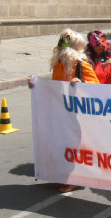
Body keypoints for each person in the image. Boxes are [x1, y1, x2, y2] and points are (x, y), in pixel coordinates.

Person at [28, 29, 100, 192]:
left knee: (74, 145)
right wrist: (36, 85)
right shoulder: (59, 64)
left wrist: (80, 82)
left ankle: (75, 178)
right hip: (62, 112)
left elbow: (97, 87)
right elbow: (55, 84)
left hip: (76, 114)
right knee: (63, 144)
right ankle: (65, 175)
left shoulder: (80, 64)